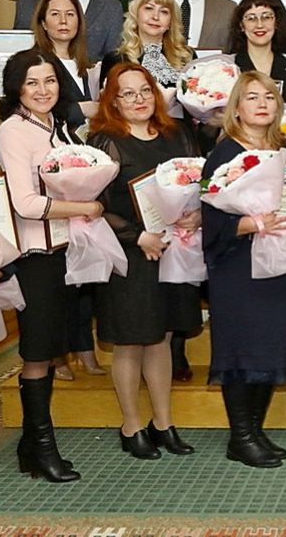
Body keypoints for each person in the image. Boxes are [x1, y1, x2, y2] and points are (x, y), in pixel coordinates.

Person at [200, 71, 286, 468]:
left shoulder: (285, 149)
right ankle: (241, 436)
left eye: (268, 97)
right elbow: (210, 217)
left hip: (280, 264)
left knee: (271, 346)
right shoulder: (223, 154)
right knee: (242, 349)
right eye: (252, 97)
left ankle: (255, 430)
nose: (262, 104)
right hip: (238, 267)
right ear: (236, 108)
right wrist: (251, 224)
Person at [85, 64, 203, 461]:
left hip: (174, 249)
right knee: (131, 341)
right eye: (128, 93)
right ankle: (132, 425)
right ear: (113, 101)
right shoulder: (105, 142)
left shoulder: (177, 134)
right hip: (129, 253)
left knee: (163, 337)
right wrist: (138, 237)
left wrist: (196, 214)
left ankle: (163, 423)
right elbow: (93, 206)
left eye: (145, 90)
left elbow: (197, 183)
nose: (139, 99)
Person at [0, 48, 101, 483]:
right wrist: (85, 207)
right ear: (16, 88)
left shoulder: (60, 128)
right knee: (38, 353)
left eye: (50, 80)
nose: (43, 90)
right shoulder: (13, 131)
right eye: (32, 82)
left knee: (54, 346)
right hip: (35, 258)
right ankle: (43, 447)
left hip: (65, 252)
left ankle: (30, 445)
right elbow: (24, 203)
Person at [32, 0, 101, 130]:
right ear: (43, 23)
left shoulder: (85, 63)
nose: (63, 21)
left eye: (70, 14)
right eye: (55, 14)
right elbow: (30, 110)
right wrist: (80, 109)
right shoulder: (33, 62)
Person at [103, 0, 195, 92]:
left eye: (164, 12)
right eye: (149, 8)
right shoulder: (116, 60)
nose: (155, 17)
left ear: (171, 22)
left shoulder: (187, 56)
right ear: (136, 14)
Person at [231, 0, 286, 101]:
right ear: (241, 26)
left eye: (266, 17)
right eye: (251, 18)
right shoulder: (228, 67)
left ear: (276, 23)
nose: (259, 24)